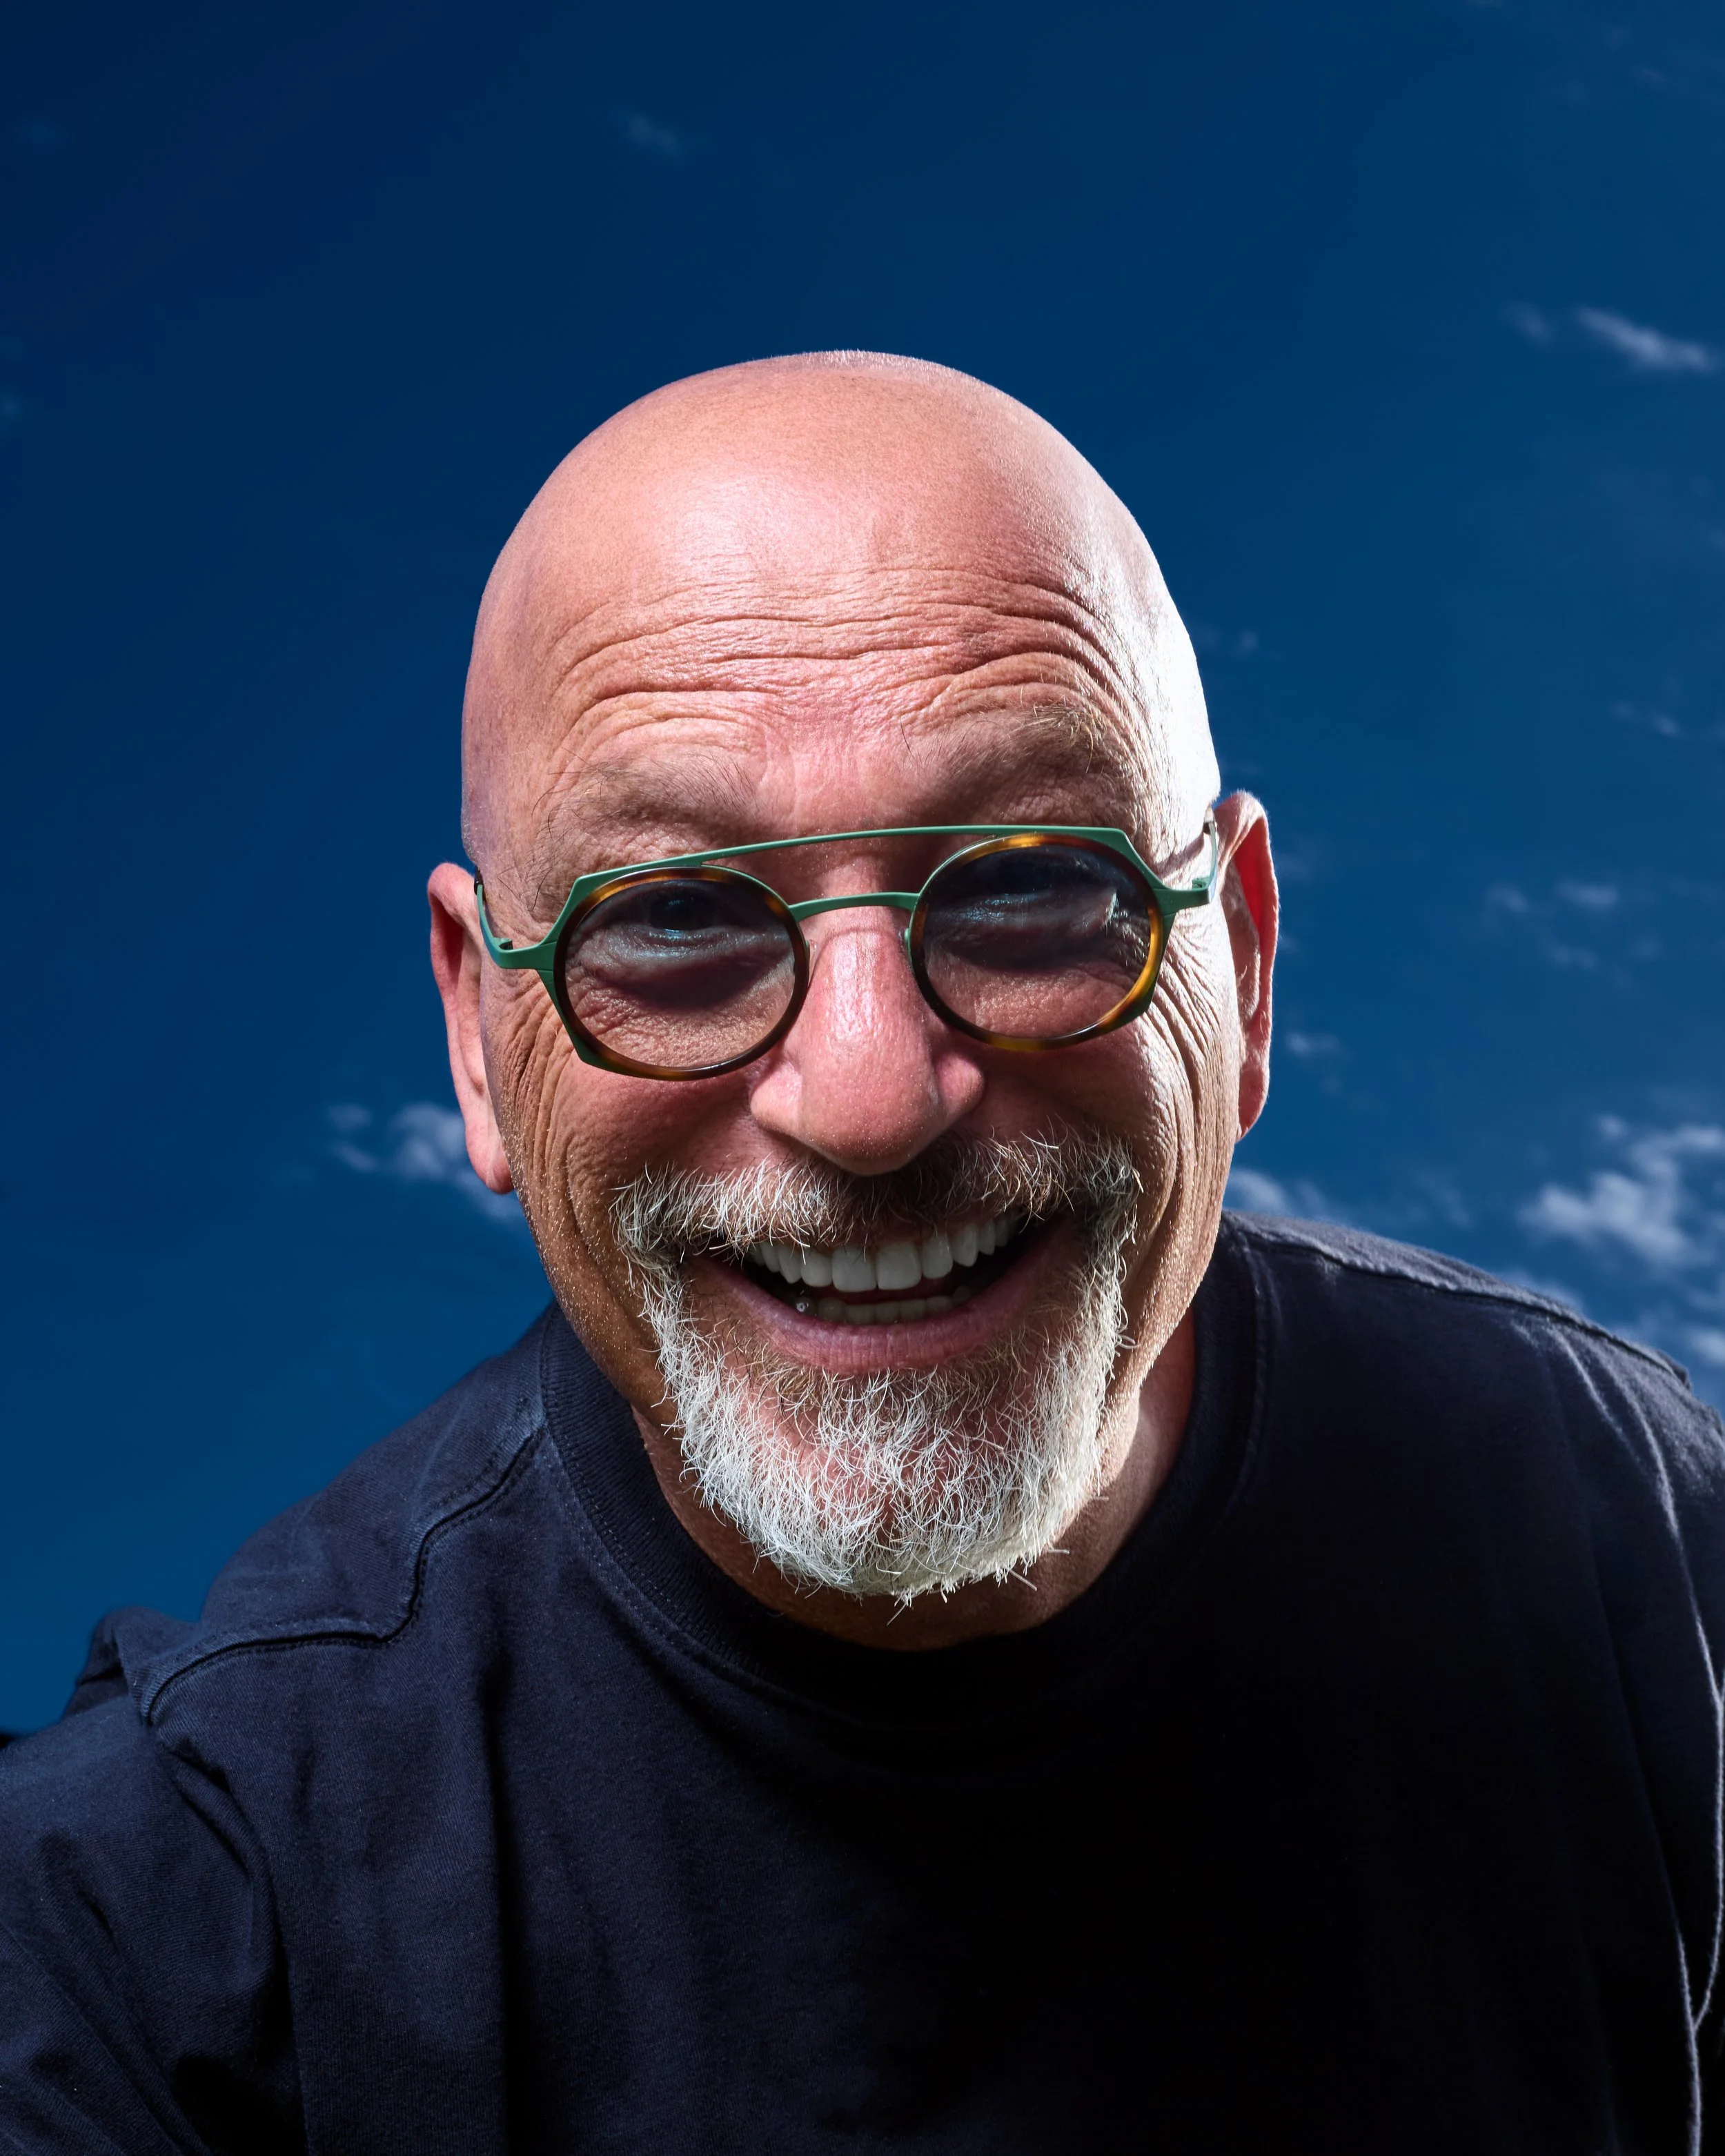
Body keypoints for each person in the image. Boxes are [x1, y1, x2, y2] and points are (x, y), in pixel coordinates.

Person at [2, 354, 1722, 2155]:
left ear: (1251, 960)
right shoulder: (163, 1938)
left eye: (1033, 886)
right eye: (671, 919)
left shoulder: (1630, 1538)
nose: (870, 1095)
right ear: (473, 1034)